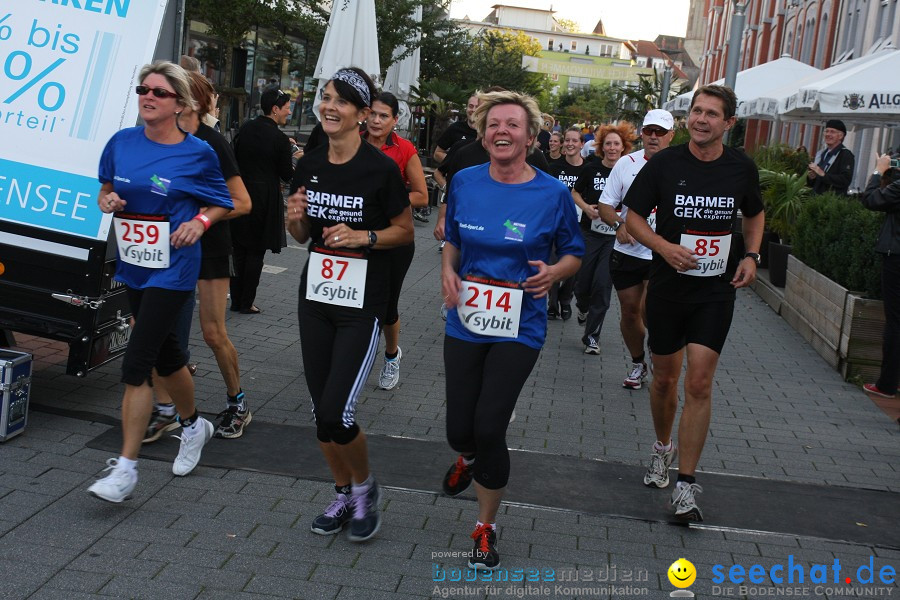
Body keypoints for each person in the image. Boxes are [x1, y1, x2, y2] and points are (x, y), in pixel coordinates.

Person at [440, 90, 583, 570]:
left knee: (489, 425)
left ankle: (485, 526)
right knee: (460, 428)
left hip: (520, 323)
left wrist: (553, 274)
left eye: (512, 125)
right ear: (482, 135)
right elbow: (453, 241)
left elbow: (573, 252)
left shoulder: (552, 192)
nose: (502, 131)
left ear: (531, 136)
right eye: (493, 124)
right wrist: (447, 271)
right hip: (466, 317)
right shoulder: (464, 181)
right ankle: (467, 456)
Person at [87, 61, 233, 503]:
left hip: (175, 267)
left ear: (180, 103)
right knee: (168, 355)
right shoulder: (121, 143)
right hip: (134, 263)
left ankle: (126, 470)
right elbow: (105, 189)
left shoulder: (198, 153)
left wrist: (201, 222)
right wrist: (108, 200)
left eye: (159, 92)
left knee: (138, 361)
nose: (147, 97)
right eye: (143, 89)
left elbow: (224, 202)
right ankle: (194, 426)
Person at [624, 85, 764, 521]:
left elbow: (754, 213)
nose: (701, 120)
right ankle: (662, 447)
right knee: (665, 380)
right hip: (668, 289)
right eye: (696, 112)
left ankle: (686, 485)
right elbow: (631, 217)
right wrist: (663, 248)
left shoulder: (741, 167)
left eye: (711, 114)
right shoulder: (667, 163)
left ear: (729, 123)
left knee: (699, 383)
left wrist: (752, 255)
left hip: (715, 291)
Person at [286, 67, 413, 542]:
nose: (329, 106)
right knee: (322, 411)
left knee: (338, 412)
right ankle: (342, 492)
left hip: (362, 302)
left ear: (362, 114)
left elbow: (404, 229)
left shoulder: (380, 168)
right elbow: (302, 235)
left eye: (341, 101)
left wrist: (367, 235)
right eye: (325, 97)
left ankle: (364, 489)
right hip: (316, 295)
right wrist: (294, 219)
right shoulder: (311, 162)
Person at [144, 72, 254, 442]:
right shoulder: (161, 139)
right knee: (157, 329)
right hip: (169, 246)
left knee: (212, 332)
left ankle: (237, 403)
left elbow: (241, 202)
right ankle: (165, 410)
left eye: (167, 93)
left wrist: (200, 218)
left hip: (209, 247)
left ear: (189, 101)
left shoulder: (212, 143)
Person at [597, 110, 675, 383]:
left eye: (661, 132)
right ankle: (638, 362)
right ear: (642, 133)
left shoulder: (680, 166)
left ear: (671, 136)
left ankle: (658, 348)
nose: (654, 137)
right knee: (630, 312)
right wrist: (619, 225)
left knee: (649, 308)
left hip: (662, 253)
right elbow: (606, 205)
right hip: (628, 252)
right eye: (649, 131)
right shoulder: (626, 163)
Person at [363, 91, 428, 390]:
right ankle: (347, 355)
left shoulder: (404, 149)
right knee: (353, 300)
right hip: (357, 238)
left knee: (387, 306)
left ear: (394, 120)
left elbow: (421, 195)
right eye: (373, 114)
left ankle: (391, 356)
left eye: (383, 116)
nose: (376, 120)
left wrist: (385, 201)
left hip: (395, 240)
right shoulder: (352, 142)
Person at [230, 88, 301, 314]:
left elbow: (234, 157)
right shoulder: (279, 139)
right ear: (275, 109)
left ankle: (236, 300)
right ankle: (246, 302)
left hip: (240, 193)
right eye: (287, 108)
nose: (289, 113)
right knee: (256, 251)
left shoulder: (246, 128)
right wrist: (295, 157)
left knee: (239, 249)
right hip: (265, 198)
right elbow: (287, 175)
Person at [572, 122, 633, 353]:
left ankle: (592, 336)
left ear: (623, 147)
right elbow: (575, 192)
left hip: (615, 238)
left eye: (617, 144)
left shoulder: (629, 171)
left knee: (602, 284)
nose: (612, 148)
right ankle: (582, 305)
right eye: (608, 143)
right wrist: (586, 208)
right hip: (590, 232)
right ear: (601, 147)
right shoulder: (591, 169)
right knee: (583, 281)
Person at [857, 154, 900, 399]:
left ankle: (887, 383)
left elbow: (871, 200)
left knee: (895, 321)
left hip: (896, 256)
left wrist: (878, 171)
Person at [547, 127, 588, 320]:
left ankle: (565, 299)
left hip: (580, 225)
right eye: (567, 140)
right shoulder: (554, 167)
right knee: (554, 262)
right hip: (556, 223)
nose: (570, 144)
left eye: (575, 141)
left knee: (575, 266)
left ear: (581, 144)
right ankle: (552, 304)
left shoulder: (588, 168)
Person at [807, 119, 855, 196]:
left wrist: (823, 174)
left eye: (832, 132)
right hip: (816, 200)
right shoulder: (823, 153)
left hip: (831, 203)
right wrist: (812, 177)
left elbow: (845, 180)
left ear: (841, 136)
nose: (828, 134)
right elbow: (818, 180)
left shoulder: (846, 154)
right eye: (826, 131)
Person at [432, 93, 478, 163]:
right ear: (466, 108)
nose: (473, 110)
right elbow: (437, 153)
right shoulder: (456, 128)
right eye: (471, 106)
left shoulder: (487, 132)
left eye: (477, 107)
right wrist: (455, 163)